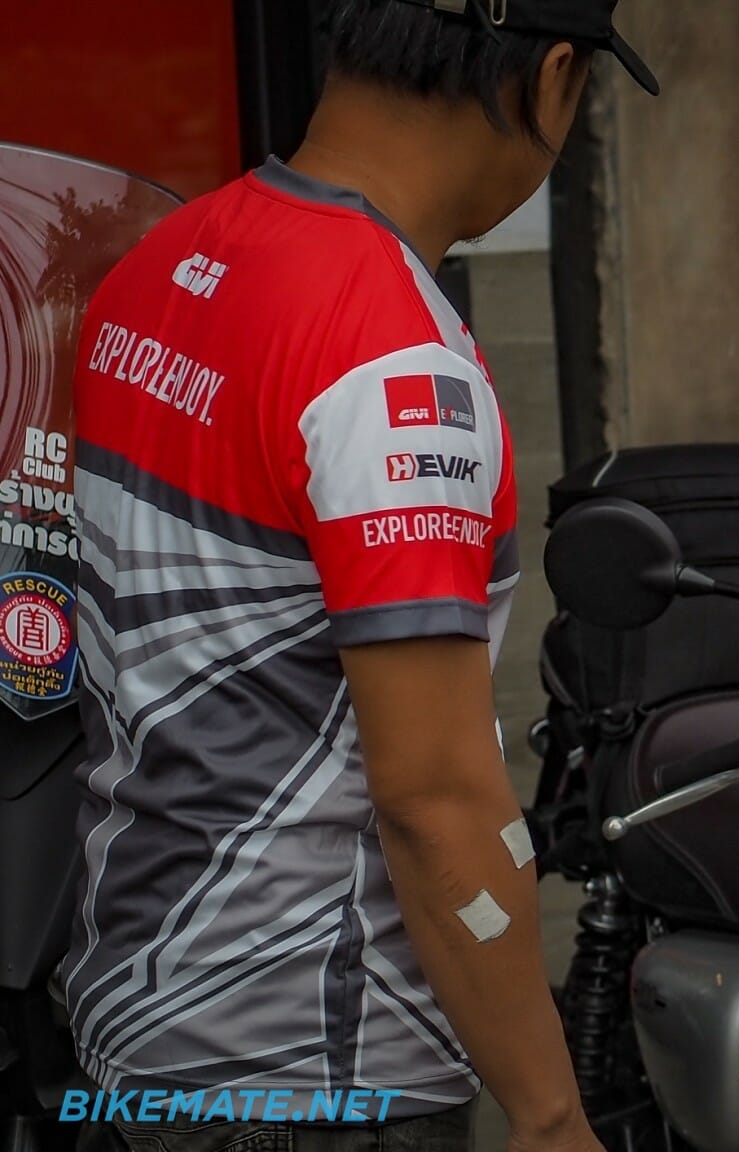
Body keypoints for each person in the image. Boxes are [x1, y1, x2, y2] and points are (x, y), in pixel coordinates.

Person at [63, 2, 658, 1150]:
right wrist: (547, 1119)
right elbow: (434, 804)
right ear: (552, 80)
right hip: (312, 1069)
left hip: (134, 1022)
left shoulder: (160, 265)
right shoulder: (389, 364)